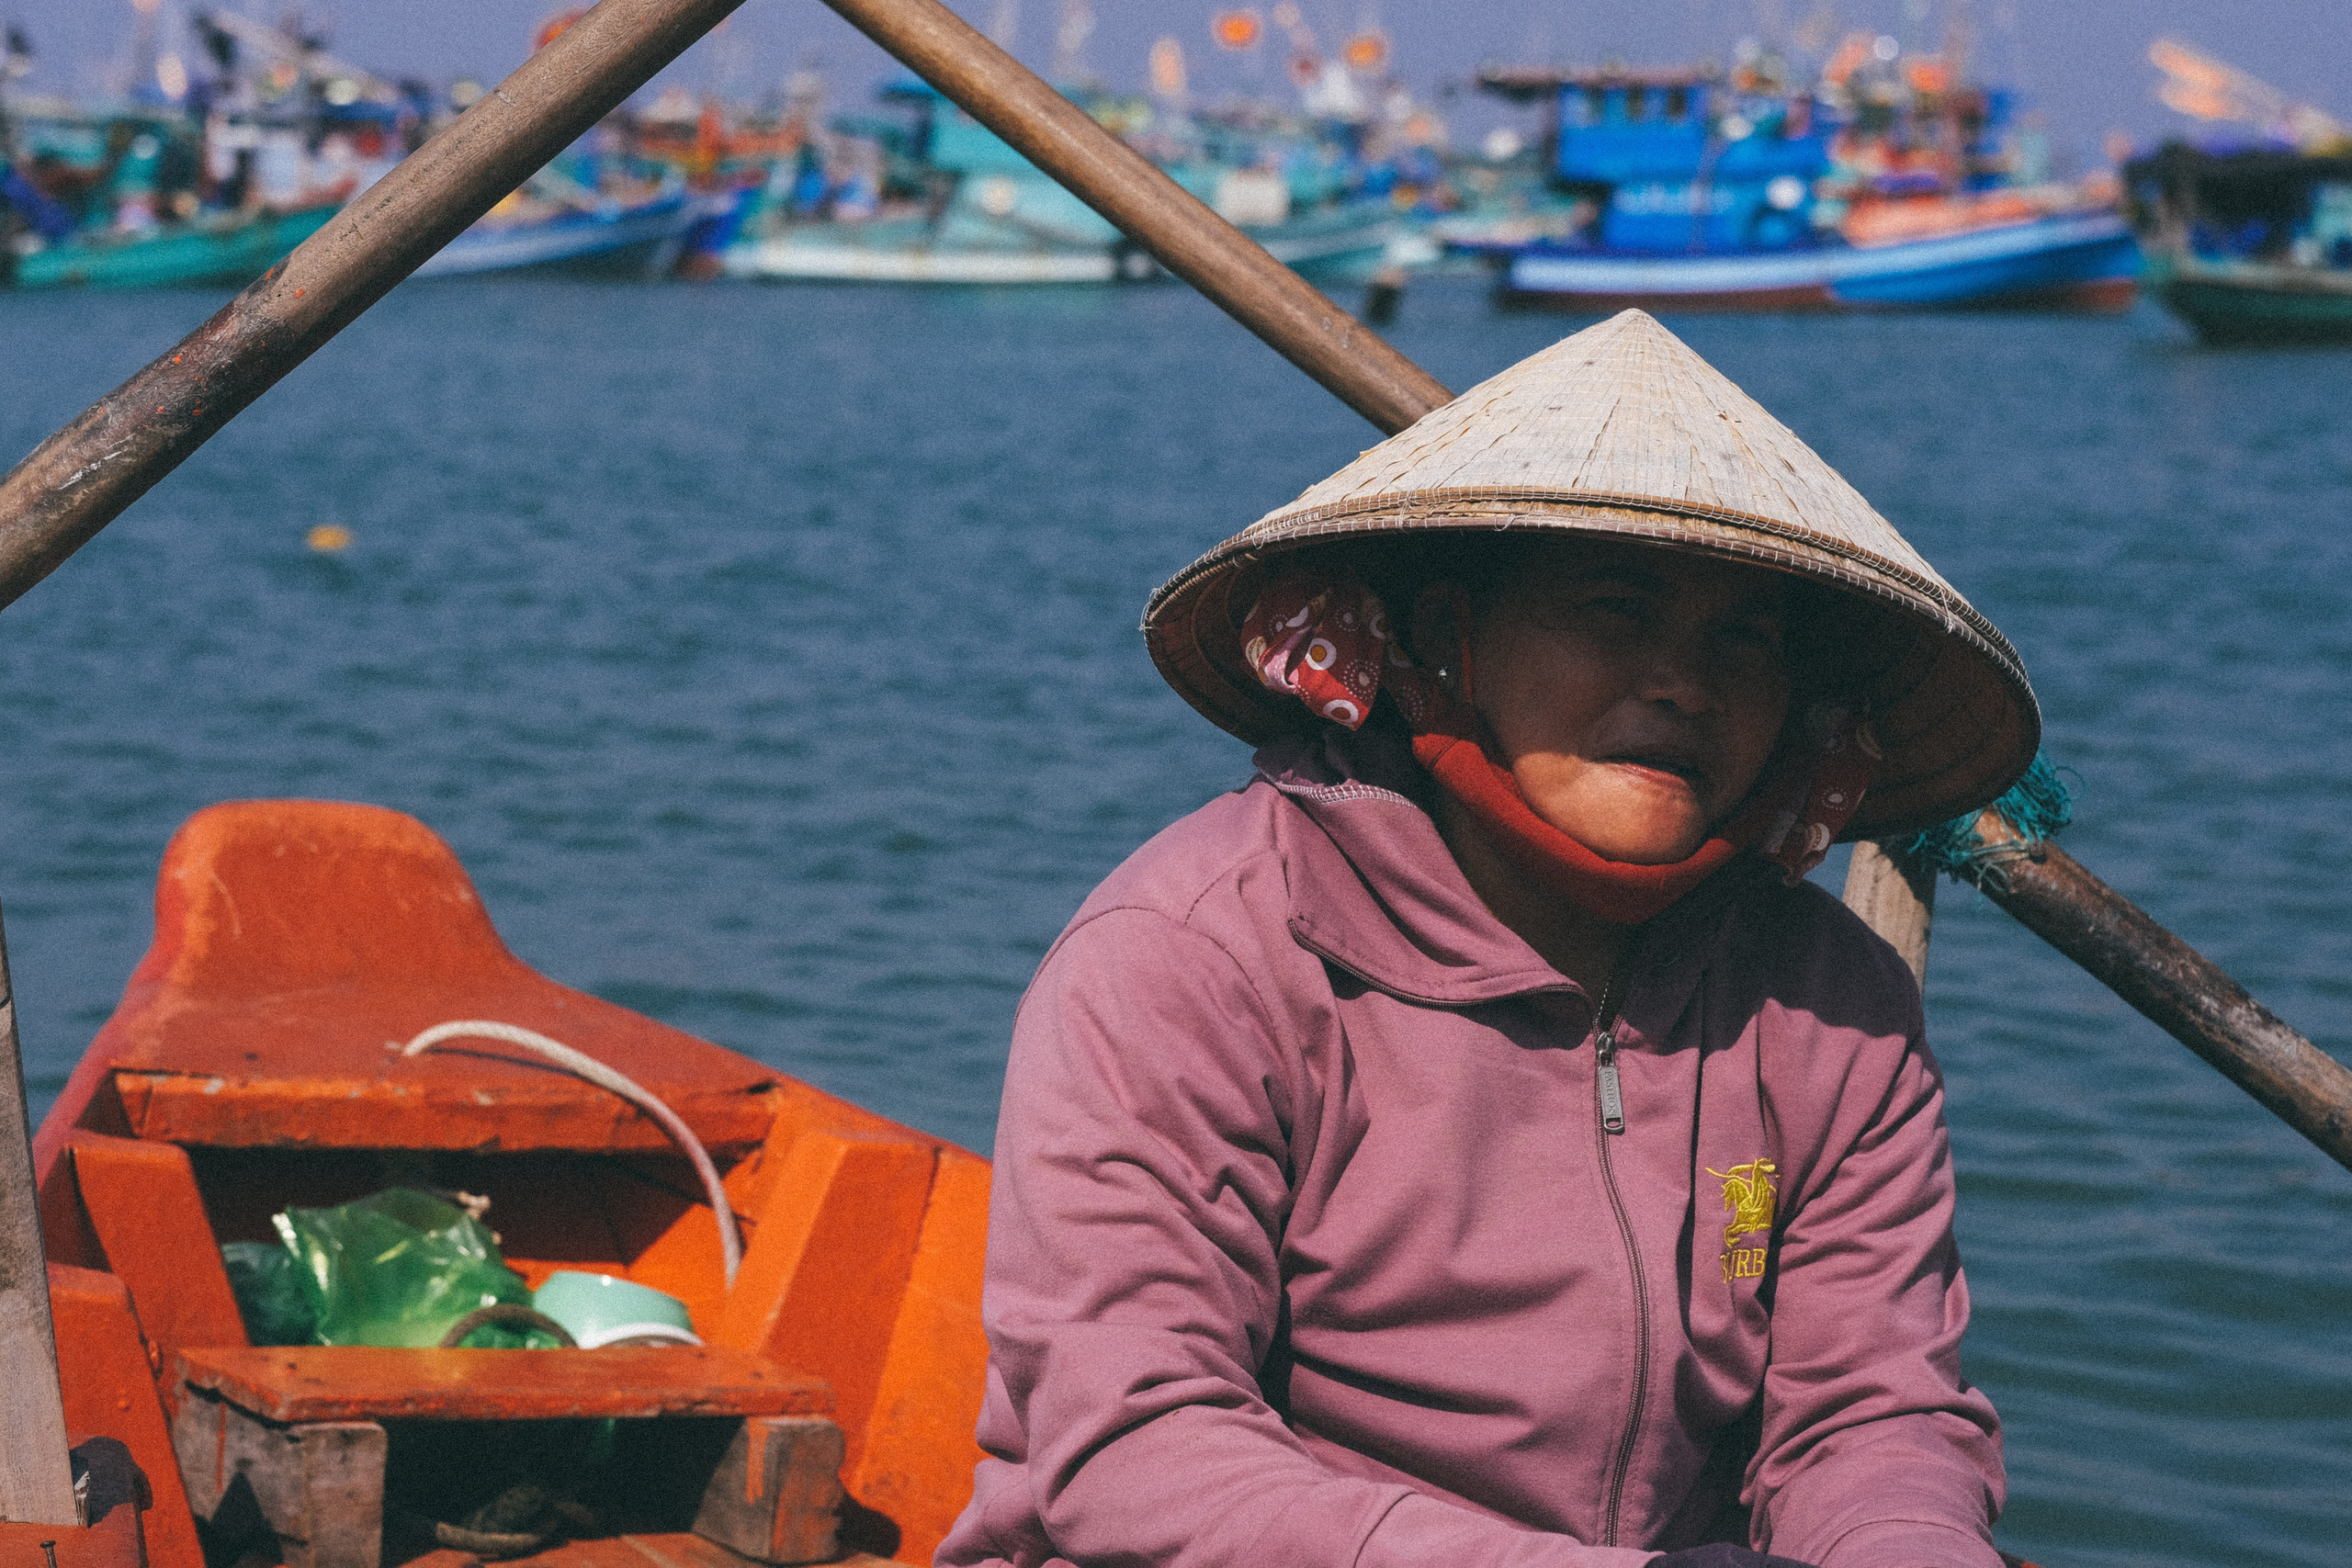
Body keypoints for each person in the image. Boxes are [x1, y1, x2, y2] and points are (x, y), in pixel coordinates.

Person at [936, 311, 2034, 1568]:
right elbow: (1134, 1451)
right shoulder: (1199, 955)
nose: (1683, 682)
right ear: (1447, 638)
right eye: (1614, 611)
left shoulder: (1832, 1003)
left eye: (1742, 637)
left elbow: (1871, 1417)